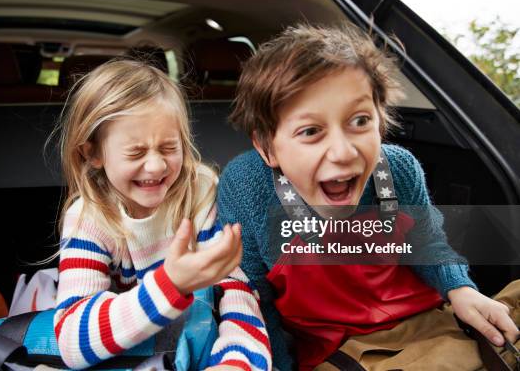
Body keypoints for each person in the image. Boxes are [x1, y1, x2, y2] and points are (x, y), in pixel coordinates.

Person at [217, 23, 519, 370]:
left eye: (359, 121)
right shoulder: (247, 187)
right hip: (341, 352)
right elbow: (254, 297)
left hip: (427, 324)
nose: (343, 152)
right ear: (267, 147)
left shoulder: (398, 169)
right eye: (311, 131)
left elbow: (426, 242)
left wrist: (459, 289)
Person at [53, 59, 272, 370]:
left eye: (170, 148)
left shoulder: (201, 193)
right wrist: (171, 283)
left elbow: (234, 289)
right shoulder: (88, 218)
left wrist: (238, 361)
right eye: (136, 152)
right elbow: (72, 342)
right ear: (93, 153)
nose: (156, 166)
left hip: (196, 349)